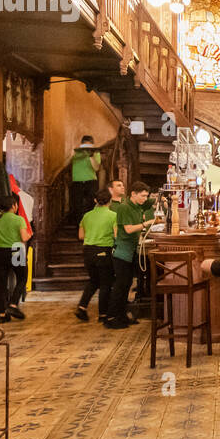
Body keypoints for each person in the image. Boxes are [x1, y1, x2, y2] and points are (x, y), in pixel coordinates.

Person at [106, 182, 157, 328]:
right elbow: (128, 229)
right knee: (120, 286)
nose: (145, 199)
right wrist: (145, 224)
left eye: (146, 196)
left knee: (127, 285)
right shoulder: (124, 207)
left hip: (131, 251)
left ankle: (122, 315)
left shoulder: (137, 206)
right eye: (142, 196)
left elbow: (152, 202)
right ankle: (111, 317)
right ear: (133, 194)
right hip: (122, 252)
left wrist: (165, 199)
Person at [75, 188, 116, 323]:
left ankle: (82, 307)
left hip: (87, 251)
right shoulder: (112, 216)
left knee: (93, 280)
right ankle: (103, 314)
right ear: (110, 201)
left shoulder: (87, 215)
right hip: (103, 250)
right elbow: (116, 235)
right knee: (105, 283)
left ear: (95, 201)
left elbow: (81, 236)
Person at [0, 193, 31, 323]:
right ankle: (13, 305)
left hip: (0, 251)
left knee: (1, 283)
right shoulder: (18, 219)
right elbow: (24, 238)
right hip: (16, 249)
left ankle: (2, 314)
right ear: (13, 206)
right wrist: (29, 235)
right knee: (22, 277)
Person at [70, 136, 102, 217]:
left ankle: (90, 223)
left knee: (91, 205)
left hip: (91, 181)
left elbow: (96, 168)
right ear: (82, 145)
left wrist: (91, 156)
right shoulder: (76, 153)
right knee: (76, 206)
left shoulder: (95, 153)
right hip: (77, 182)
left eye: (89, 146)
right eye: (85, 145)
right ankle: (79, 226)